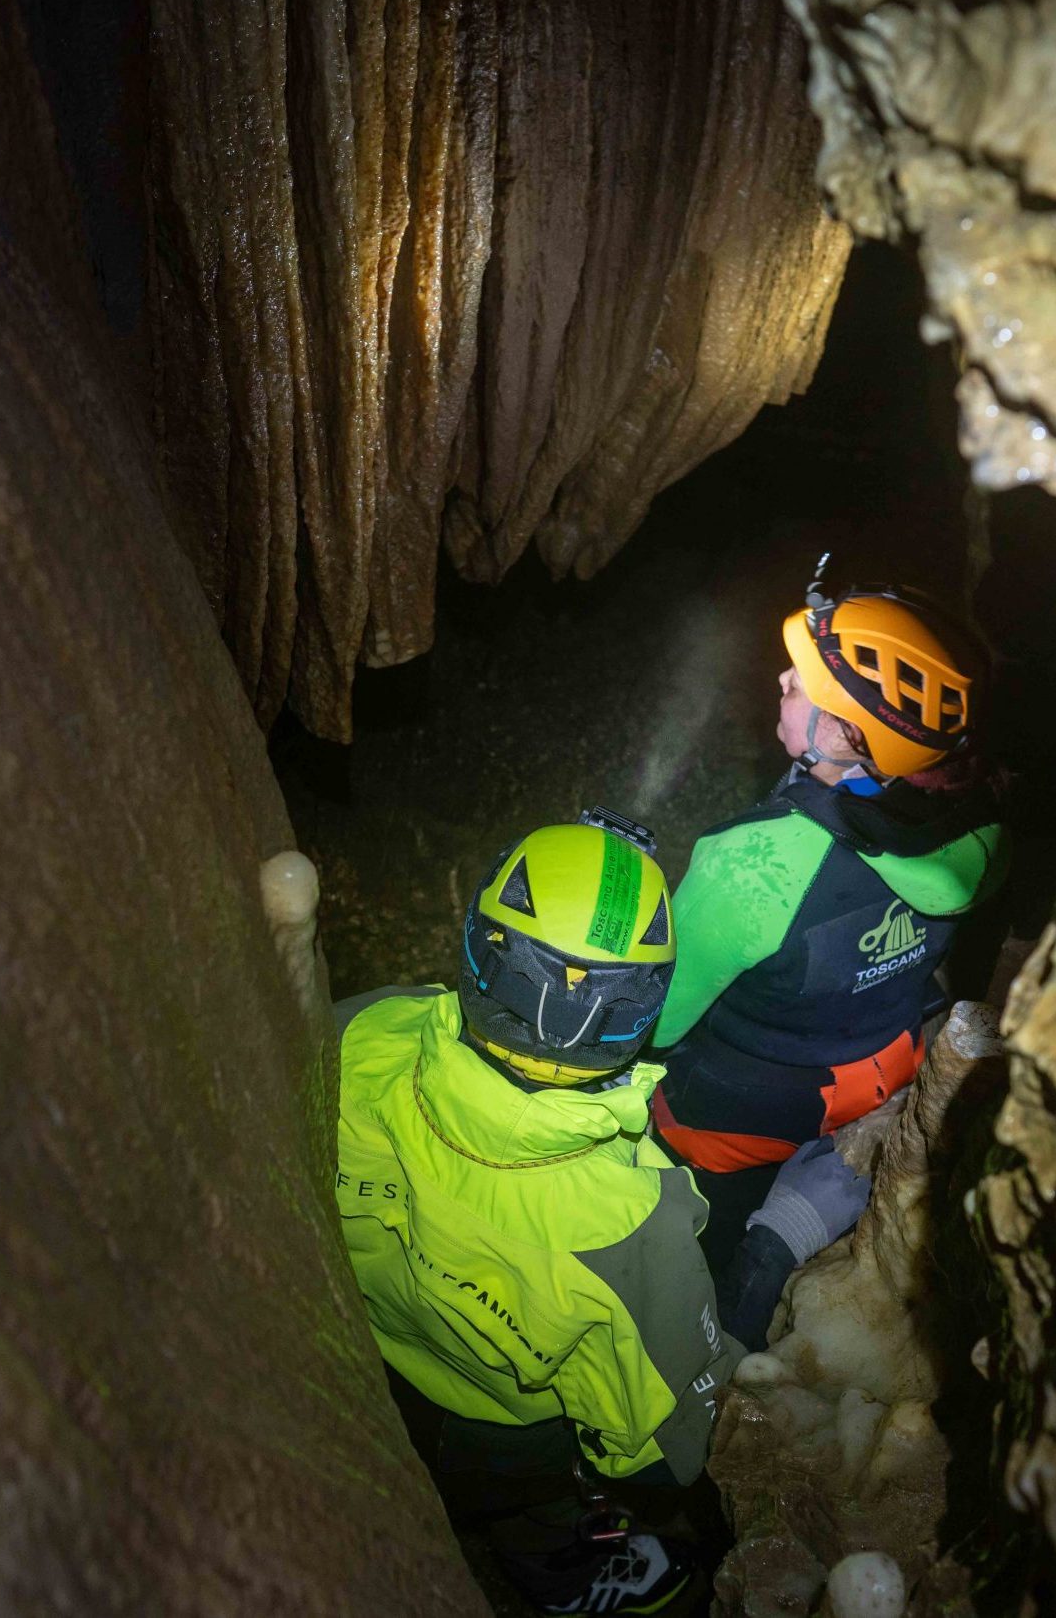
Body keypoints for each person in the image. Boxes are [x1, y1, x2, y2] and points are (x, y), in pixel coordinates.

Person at [333, 809, 869, 1616]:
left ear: (480, 946)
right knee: (536, 1507)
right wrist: (777, 1235)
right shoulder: (630, 1226)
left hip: (367, 1357)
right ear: (638, 1012)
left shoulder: (363, 1029)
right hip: (500, 1440)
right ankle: (565, 1576)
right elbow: (670, 1449)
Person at [650, 561, 1011, 1270]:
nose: (782, 683)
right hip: (881, 1064)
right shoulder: (983, 828)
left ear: (847, 739)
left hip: (735, 1124)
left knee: (699, 1234)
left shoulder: (752, 863)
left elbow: (659, 1019)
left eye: (801, 684)